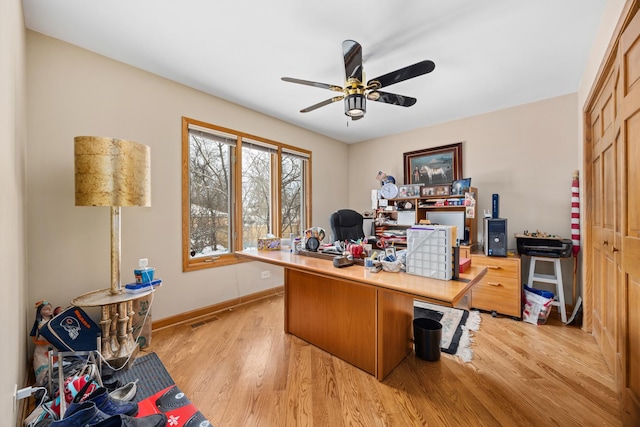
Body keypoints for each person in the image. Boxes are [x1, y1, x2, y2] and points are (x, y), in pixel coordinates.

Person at [30, 300, 56, 384]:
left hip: (52, 343)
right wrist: (34, 338)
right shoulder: (39, 322)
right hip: (42, 344)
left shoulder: (53, 320)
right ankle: (42, 381)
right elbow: (34, 331)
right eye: (46, 309)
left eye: (50, 309)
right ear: (40, 311)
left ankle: (54, 379)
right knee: (41, 361)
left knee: (54, 361)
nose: (49, 311)